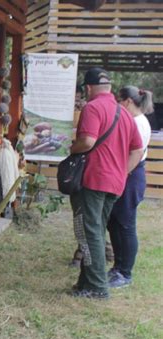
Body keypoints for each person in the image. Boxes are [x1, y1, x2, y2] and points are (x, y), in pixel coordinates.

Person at [70, 68, 144, 299]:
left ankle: (97, 287)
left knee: (87, 231)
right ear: (109, 88)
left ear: (89, 88)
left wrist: (71, 149)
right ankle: (85, 282)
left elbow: (88, 141)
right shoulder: (124, 113)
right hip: (115, 183)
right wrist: (123, 173)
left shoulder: (92, 107)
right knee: (95, 231)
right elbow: (138, 149)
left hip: (93, 180)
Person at [107, 86, 152, 288]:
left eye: (118, 101)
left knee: (126, 224)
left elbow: (135, 153)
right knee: (114, 221)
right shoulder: (133, 120)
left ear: (127, 102)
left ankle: (125, 272)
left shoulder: (139, 123)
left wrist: (120, 176)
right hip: (125, 174)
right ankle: (117, 266)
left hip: (131, 176)